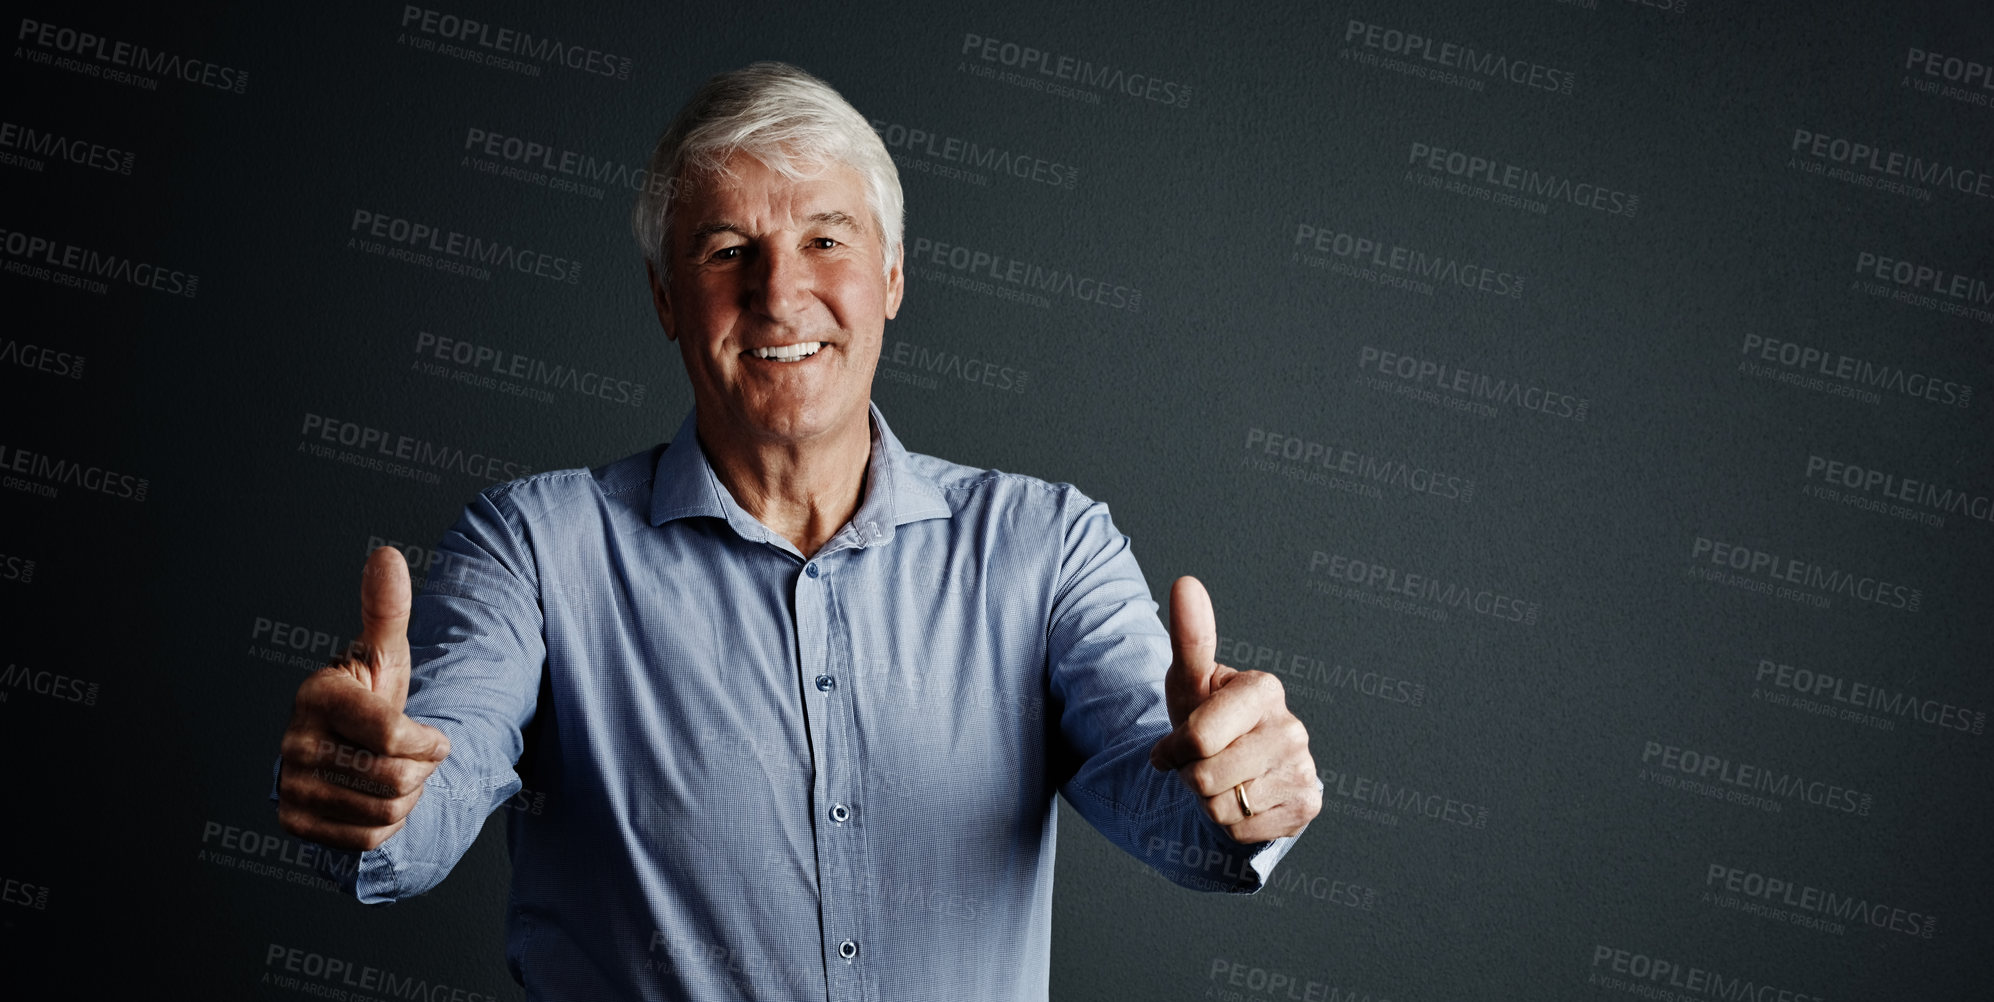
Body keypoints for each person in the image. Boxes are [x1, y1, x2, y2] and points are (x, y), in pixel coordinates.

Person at [275, 61, 1321, 1000]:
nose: (781, 296)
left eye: (826, 239)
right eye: (728, 250)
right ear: (665, 300)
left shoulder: (1045, 547)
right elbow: (420, 803)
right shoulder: (534, 549)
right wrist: (372, 794)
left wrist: (1243, 791)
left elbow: (1179, 808)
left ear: (893, 277)